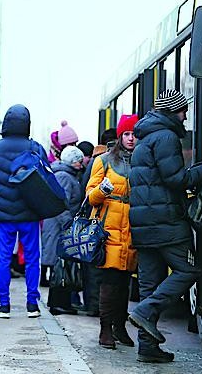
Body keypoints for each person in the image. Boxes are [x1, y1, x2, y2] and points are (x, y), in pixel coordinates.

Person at [128, 90, 202, 363]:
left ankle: (147, 348)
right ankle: (145, 312)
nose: (186, 116)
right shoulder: (166, 137)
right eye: (183, 110)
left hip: (143, 223)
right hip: (166, 222)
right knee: (189, 270)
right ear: (173, 111)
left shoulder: (144, 138)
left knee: (149, 285)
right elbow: (176, 179)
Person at [0, 104, 47, 319]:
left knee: (2, 258)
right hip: (30, 213)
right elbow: (46, 181)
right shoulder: (36, 147)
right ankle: (32, 304)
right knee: (32, 258)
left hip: (3, 215)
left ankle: (3, 305)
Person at [86, 114, 139, 350]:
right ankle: (105, 329)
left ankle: (119, 326)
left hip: (131, 228)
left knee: (125, 281)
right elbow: (90, 196)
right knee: (110, 281)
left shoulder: (141, 161)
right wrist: (102, 190)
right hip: (108, 229)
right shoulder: (104, 161)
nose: (131, 138)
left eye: (134, 134)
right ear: (119, 136)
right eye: (126, 134)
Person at [80, 128, 118, 316]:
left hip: (95, 221)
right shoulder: (103, 161)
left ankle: (93, 305)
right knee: (97, 266)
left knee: (95, 266)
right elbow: (89, 194)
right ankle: (95, 306)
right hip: (97, 221)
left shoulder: (96, 160)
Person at [43, 146, 85, 315]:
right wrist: (68, 224)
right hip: (59, 227)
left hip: (58, 226)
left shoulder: (66, 175)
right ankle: (58, 303)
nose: (81, 164)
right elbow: (61, 203)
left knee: (61, 265)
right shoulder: (65, 177)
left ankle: (60, 302)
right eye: (78, 161)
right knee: (60, 266)